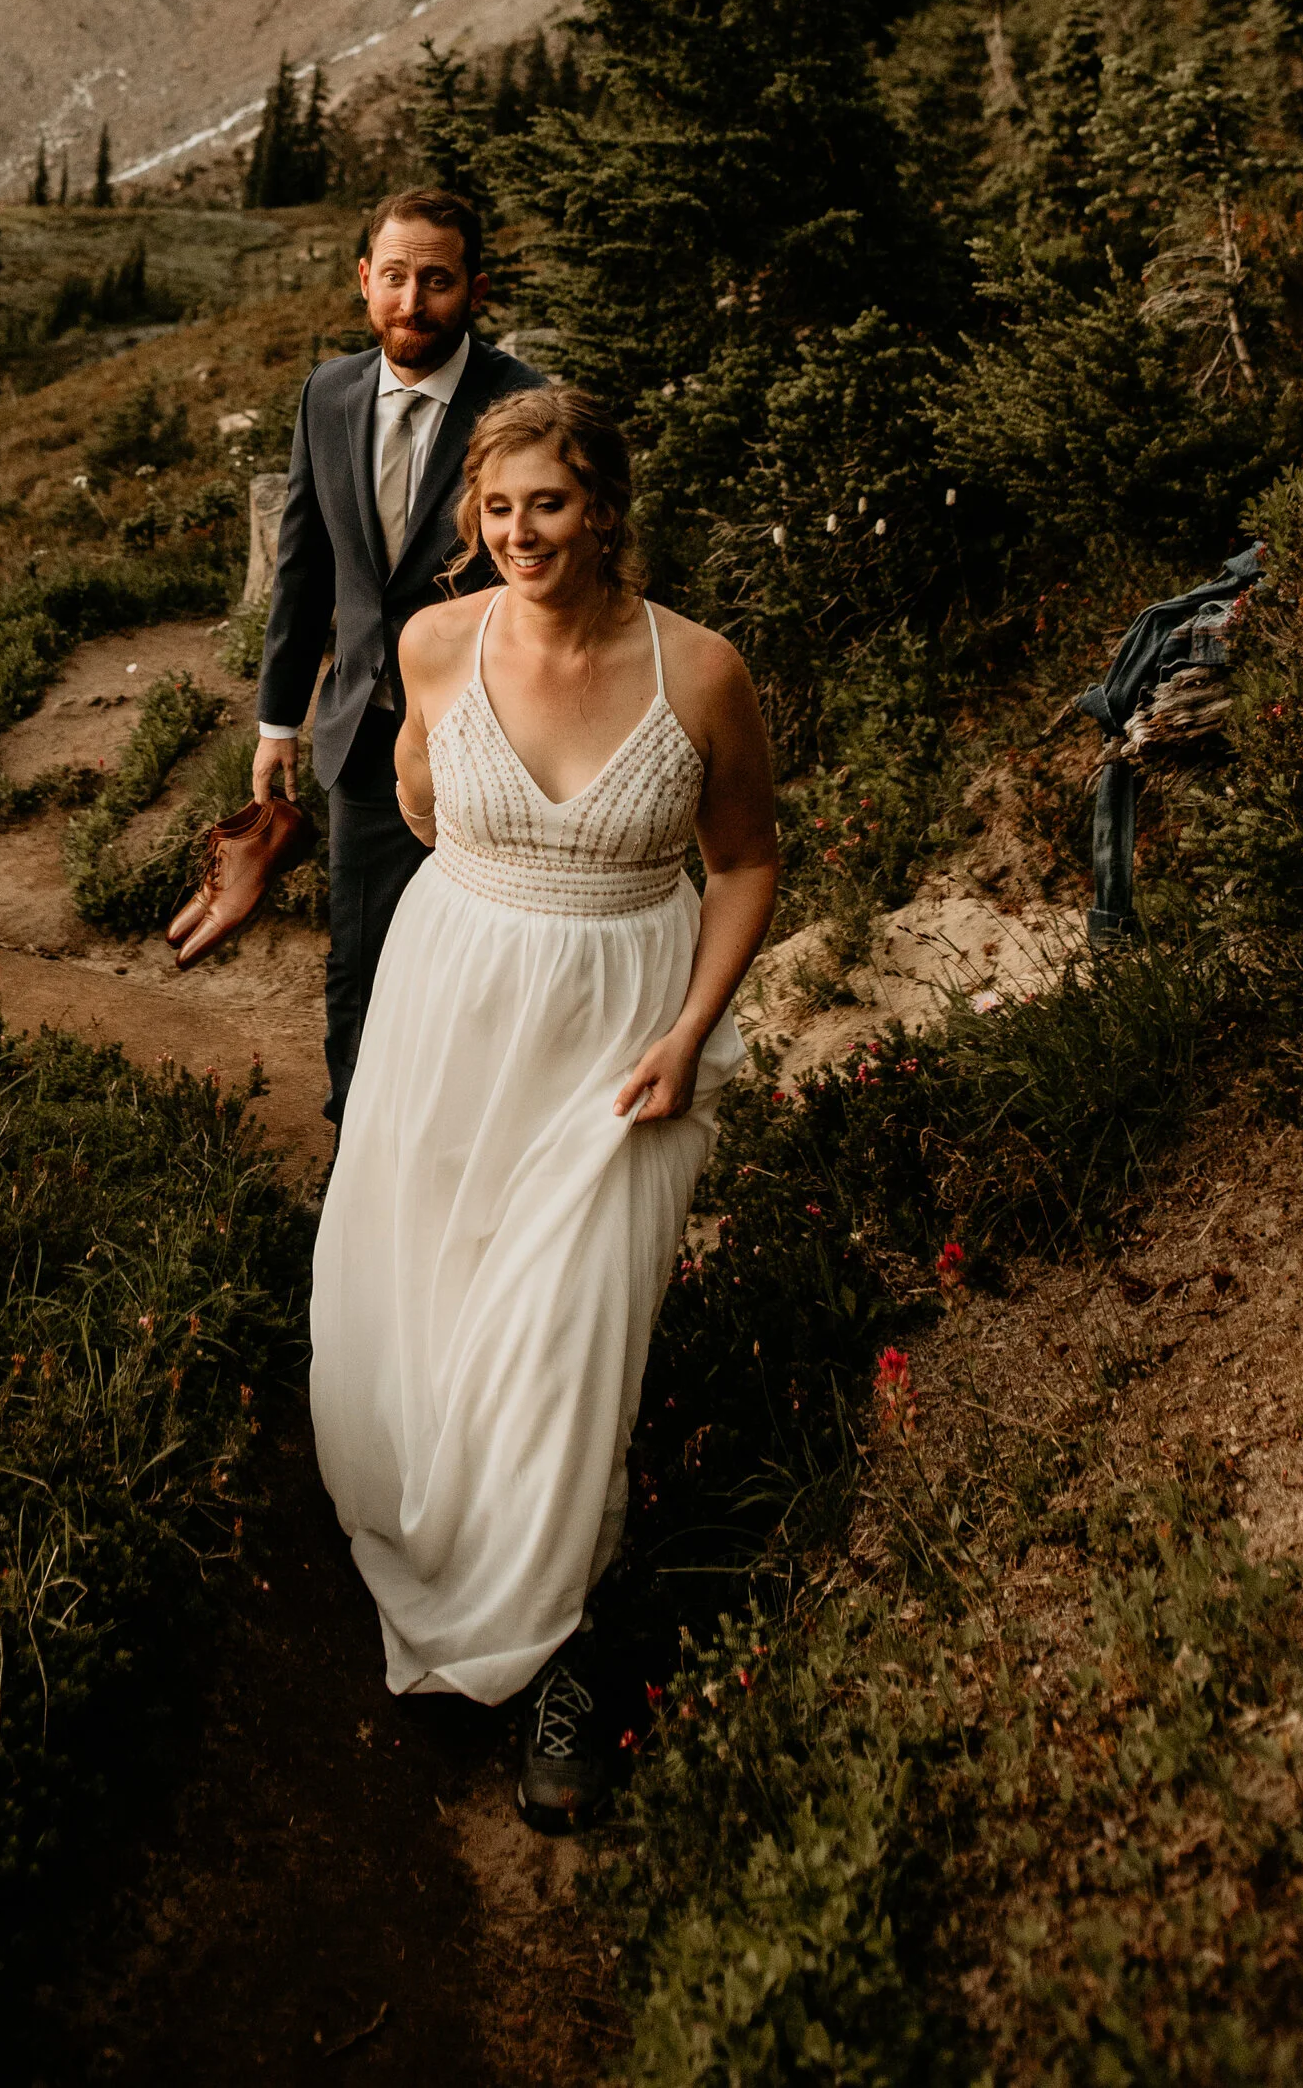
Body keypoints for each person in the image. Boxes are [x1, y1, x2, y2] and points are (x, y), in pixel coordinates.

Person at [309, 384, 779, 1833]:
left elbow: (751, 860)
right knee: (441, 1294)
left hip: (623, 1034)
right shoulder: (436, 641)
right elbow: (419, 800)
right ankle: (449, 1539)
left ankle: (562, 1642)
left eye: (550, 505)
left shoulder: (701, 671)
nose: (520, 532)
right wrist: (501, 913)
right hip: (451, 1006)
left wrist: (691, 1029)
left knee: (573, 1326)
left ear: (608, 510)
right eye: (497, 509)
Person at [247, 190, 545, 1126]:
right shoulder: (327, 394)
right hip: (366, 738)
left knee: (485, 969)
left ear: (476, 289)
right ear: (363, 280)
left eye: (438, 280)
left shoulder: (525, 401)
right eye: (395, 277)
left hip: (497, 741)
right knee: (361, 961)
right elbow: (304, 568)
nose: (413, 301)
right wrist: (277, 721)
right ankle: (358, 1158)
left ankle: (467, 1155)